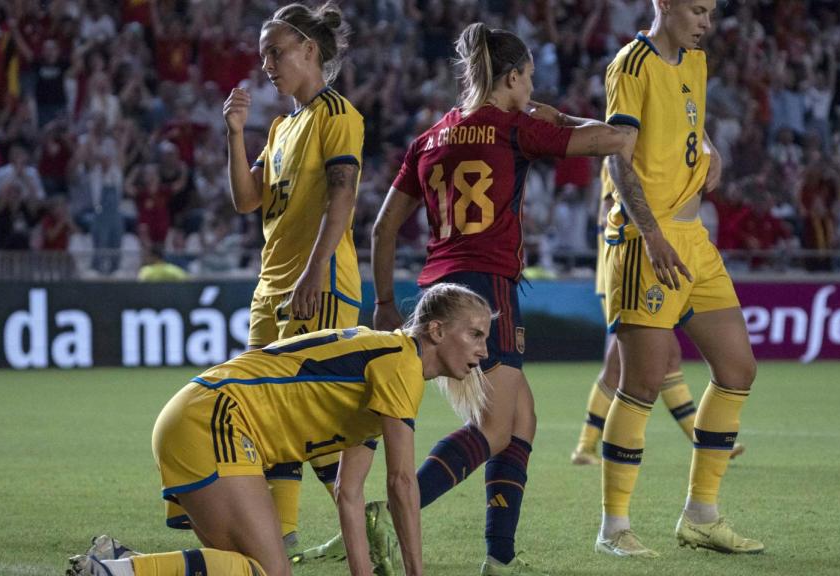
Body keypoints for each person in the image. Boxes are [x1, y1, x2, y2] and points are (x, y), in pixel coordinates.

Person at [367, 22, 627, 576]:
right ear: (511, 77)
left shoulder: (431, 137)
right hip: (488, 291)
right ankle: (395, 514)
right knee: (492, 429)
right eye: (528, 80)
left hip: (436, 293)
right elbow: (615, 139)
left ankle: (499, 558)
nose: (531, 90)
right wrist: (560, 117)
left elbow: (383, 230)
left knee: (521, 419)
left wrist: (386, 302)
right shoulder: (514, 129)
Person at [67, 283, 494, 576]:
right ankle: (114, 571)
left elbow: (349, 494)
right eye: (475, 334)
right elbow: (402, 483)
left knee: (240, 567)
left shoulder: (387, 367)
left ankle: (120, 562)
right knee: (270, 572)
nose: (484, 349)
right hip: (217, 418)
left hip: (199, 414)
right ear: (436, 330)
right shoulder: (400, 363)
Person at [595, 0, 762, 558]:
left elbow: (693, 125)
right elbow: (619, 158)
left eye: (711, 12)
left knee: (738, 368)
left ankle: (701, 514)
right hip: (649, 241)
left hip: (694, 239)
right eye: (697, 10)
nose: (706, 23)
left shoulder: (695, 61)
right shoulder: (630, 65)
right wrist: (653, 234)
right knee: (640, 385)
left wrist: (710, 147)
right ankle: (613, 527)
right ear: (663, 4)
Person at [222, 1, 363, 556]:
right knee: (263, 409)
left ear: (309, 49)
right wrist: (235, 133)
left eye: (275, 53)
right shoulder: (282, 126)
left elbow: (343, 197)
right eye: (263, 56)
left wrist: (314, 271)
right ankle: (282, 535)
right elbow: (245, 199)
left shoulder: (338, 115)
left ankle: (361, 519)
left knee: (309, 414)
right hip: (271, 286)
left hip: (318, 283)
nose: (267, 66)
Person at [570, 184, 744, 466]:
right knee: (626, 366)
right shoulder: (619, 154)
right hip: (625, 275)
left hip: (632, 271)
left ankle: (587, 446)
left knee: (664, 360)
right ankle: (585, 446)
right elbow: (609, 210)